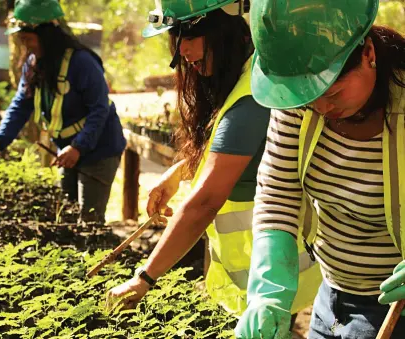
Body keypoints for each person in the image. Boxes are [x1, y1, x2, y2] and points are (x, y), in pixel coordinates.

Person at [107, 0, 320, 322]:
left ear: (221, 30)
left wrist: (143, 279)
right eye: (176, 40)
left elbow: (205, 202)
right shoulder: (248, 75)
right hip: (269, 272)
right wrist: (180, 172)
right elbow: (240, 152)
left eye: (187, 37)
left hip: (281, 270)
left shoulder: (252, 97)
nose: (182, 53)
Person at [234, 0, 405, 338]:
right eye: (308, 97)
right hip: (331, 297)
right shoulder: (301, 103)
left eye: (334, 91)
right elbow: (278, 192)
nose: (322, 107)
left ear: (368, 52)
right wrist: (270, 294)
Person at [0, 0, 126, 224]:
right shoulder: (34, 63)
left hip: (99, 150)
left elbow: (99, 110)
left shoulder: (82, 63)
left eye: (28, 39)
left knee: (89, 222)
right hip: (67, 151)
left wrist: (78, 147)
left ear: (46, 35)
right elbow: (20, 106)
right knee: (65, 217)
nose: (26, 45)